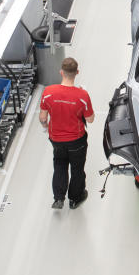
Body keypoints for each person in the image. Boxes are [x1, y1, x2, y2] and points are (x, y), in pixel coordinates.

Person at [40, 58, 95, 210]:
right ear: (77, 73)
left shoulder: (48, 92)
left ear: (61, 72)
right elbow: (90, 120)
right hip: (76, 140)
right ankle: (75, 198)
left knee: (59, 165)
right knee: (77, 168)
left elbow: (43, 117)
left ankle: (58, 198)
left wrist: (45, 127)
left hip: (56, 139)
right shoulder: (82, 95)